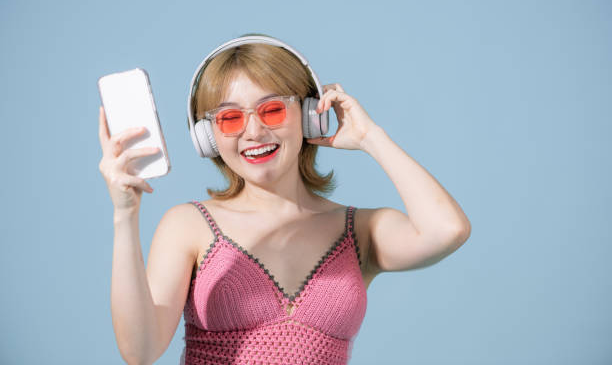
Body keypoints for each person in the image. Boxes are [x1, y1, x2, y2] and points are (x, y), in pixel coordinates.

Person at [98, 34, 471, 365]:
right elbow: (140, 351)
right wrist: (124, 214)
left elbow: (447, 230)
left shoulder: (358, 232)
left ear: (311, 116)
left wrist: (371, 137)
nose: (254, 131)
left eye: (272, 109)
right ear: (208, 138)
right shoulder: (188, 225)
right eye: (229, 118)